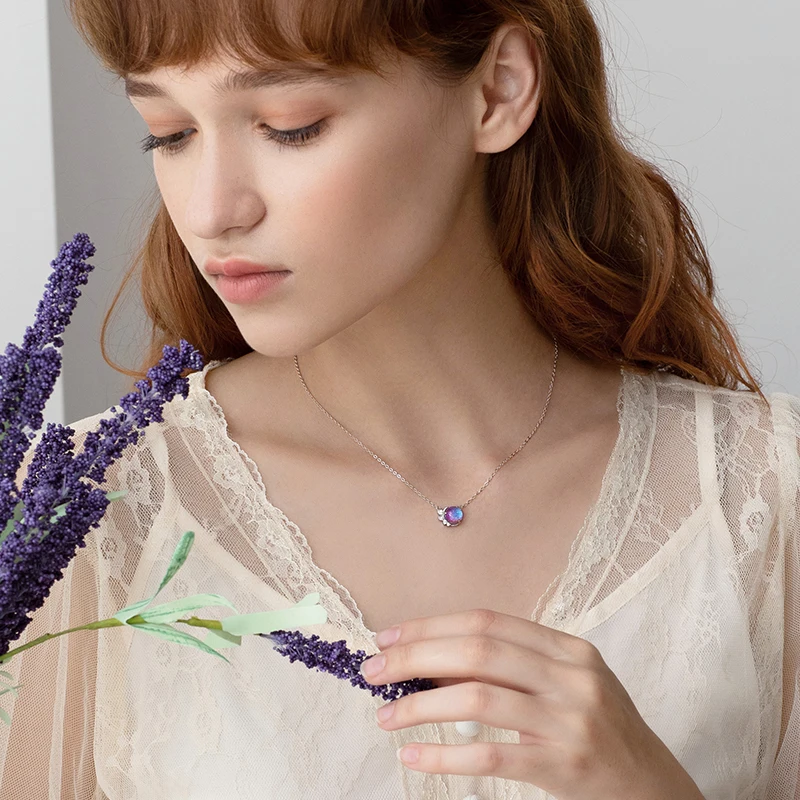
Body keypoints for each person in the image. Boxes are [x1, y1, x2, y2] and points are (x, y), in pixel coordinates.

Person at [1, 0, 797, 798]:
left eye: (290, 126)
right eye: (170, 133)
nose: (211, 212)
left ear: (498, 90)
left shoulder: (763, 494)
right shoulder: (83, 516)